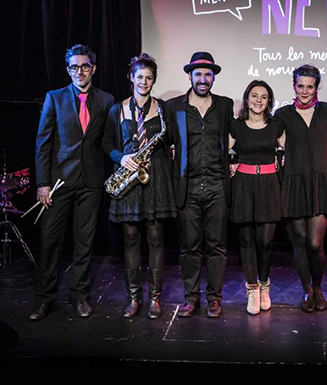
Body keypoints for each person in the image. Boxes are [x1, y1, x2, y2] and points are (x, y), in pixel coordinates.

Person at [31, 44, 114, 320]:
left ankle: (80, 297)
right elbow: (43, 143)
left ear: (94, 68)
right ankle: (45, 299)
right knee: (50, 241)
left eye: (85, 66)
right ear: (68, 70)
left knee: (84, 243)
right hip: (58, 183)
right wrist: (42, 183)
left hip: (91, 182)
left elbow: (110, 139)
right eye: (74, 67)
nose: (80, 71)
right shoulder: (54, 98)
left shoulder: (106, 100)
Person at [102, 53, 176, 319]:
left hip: (156, 179)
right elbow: (106, 144)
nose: (144, 82)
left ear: (154, 80)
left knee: (156, 239)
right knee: (131, 239)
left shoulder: (163, 109)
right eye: (140, 77)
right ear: (131, 78)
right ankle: (134, 298)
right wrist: (121, 157)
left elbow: (170, 140)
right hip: (128, 178)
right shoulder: (117, 109)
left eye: (149, 78)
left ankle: (155, 298)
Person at [167, 52, 233, 318]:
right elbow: (167, 140)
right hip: (188, 186)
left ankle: (215, 299)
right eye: (198, 74)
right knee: (189, 247)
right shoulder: (174, 107)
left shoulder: (225, 105)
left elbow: (234, 137)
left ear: (213, 77)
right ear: (190, 76)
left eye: (208, 74)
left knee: (217, 246)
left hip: (217, 185)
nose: (203, 79)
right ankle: (191, 298)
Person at [275, 65, 327, 313]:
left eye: (309, 87)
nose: (304, 91)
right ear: (294, 86)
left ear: (316, 87)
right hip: (294, 183)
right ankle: (306, 290)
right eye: (300, 86)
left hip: (321, 183)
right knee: (299, 242)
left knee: (314, 243)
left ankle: (318, 287)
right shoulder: (282, 114)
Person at [228, 80, 284, 315]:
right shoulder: (236, 126)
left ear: (269, 101)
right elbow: (221, 151)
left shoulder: (277, 125)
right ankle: (252, 288)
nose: (258, 100)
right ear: (247, 98)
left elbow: (289, 152)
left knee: (265, 241)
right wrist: (230, 163)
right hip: (243, 184)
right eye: (254, 95)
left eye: (263, 96)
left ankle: (264, 284)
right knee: (247, 241)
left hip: (269, 185)